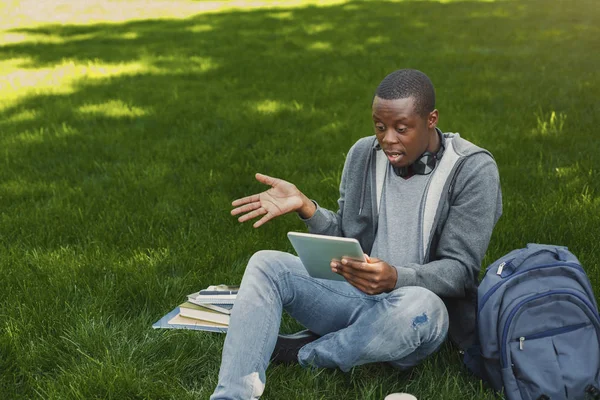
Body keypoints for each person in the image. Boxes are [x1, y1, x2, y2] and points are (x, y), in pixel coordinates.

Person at [210, 69, 502, 399]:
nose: (388, 138)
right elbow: (346, 238)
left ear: (431, 119)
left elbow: (460, 272)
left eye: (401, 128)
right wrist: (308, 208)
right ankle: (232, 394)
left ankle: (306, 353)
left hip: (416, 312)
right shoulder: (363, 155)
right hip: (354, 295)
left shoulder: (473, 169)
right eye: (380, 127)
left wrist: (395, 277)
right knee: (266, 264)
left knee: (422, 307)